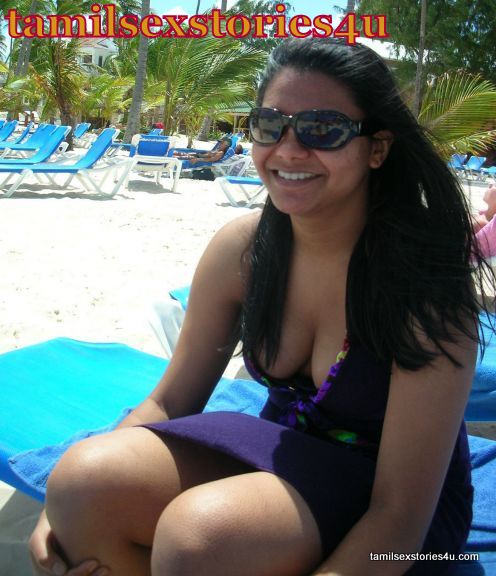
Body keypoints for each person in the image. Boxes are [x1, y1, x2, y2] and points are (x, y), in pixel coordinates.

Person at [29, 38, 494, 576]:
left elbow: (402, 511)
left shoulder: (421, 288)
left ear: (377, 148)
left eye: (323, 129)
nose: (288, 150)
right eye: (270, 125)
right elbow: (170, 400)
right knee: (82, 484)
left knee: (199, 539)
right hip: (281, 455)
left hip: (403, 514)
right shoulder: (246, 252)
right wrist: (60, 506)